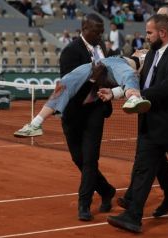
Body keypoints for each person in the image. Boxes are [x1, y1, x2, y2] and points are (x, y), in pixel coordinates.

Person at [104, 14, 168, 234]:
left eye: (149, 32)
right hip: (153, 123)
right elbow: (141, 81)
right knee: (143, 169)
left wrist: (140, 94)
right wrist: (116, 92)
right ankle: (133, 216)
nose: (146, 36)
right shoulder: (152, 53)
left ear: (162, 32)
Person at [47, 13, 116, 222]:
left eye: (102, 31)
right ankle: (106, 190)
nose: (101, 34)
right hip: (74, 113)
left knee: (90, 160)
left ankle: (84, 204)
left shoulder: (102, 48)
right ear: (84, 29)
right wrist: (94, 78)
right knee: (79, 159)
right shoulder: (70, 52)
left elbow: (109, 76)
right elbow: (70, 88)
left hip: (95, 110)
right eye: (97, 31)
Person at [13, 54, 151, 137]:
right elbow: (133, 75)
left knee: (64, 83)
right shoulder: (147, 54)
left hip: (106, 70)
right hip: (115, 62)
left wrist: (116, 93)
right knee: (64, 83)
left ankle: (133, 97)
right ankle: (35, 123)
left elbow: (129, 81)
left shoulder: (152, 56)